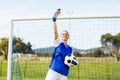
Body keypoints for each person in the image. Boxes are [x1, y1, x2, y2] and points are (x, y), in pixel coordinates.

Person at [45, 9, 73, 80]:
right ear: (61, 36)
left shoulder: (70, 49)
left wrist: (72, 62)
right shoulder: (58, 44)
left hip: (64, 74)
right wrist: (54, 20)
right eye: (63, 34)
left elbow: (70, 61)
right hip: (54, 71)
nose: (65, 35)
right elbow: (55, 33)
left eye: (66, 34)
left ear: (68, 37)